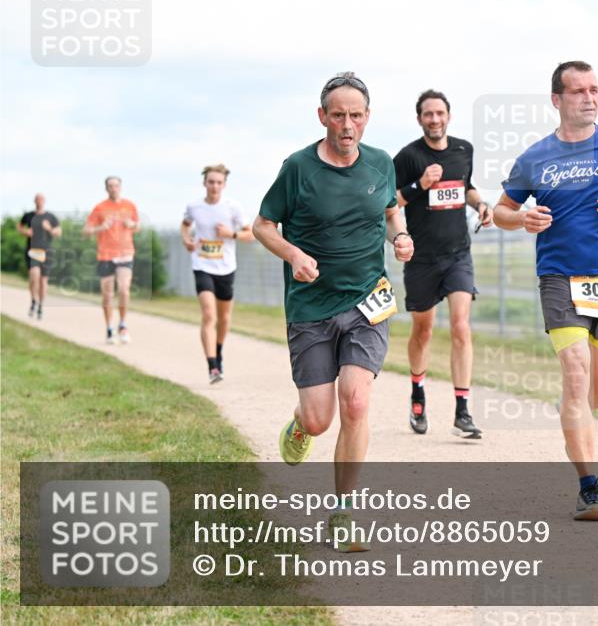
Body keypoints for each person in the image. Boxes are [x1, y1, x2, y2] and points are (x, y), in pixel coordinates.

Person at [493, 61, 598, 521]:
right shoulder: (535, 157)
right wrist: (522, 218)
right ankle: (589, 487)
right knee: (576, 373)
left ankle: (573, 412)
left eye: (594, 90)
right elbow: (500, 211)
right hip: (559, 278)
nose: (589, 98)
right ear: (557, 100)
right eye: (578, 92)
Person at [253, 72, 413, 551]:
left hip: (368, 300)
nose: (348, 124)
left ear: (367, 118)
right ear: (322, 117)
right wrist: (294, 255)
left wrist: (400, 235)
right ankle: (302, 424)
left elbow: (390, 210)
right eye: (338, 115)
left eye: (356, 115)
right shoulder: (298, 168)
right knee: (321, 418)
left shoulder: (382, 164)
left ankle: (343, 512)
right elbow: (262, 226)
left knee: (357, 400)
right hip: (310, 307)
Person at [394, 89, 493, 439]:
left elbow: (465, 186)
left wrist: (480, 204)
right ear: (419, 118)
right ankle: (417, 392)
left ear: (448, 116)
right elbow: (391, 202)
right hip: (421, 258)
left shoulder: (463, 150)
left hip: (457, 254)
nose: (434, 120)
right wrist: (420, 184)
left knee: (461, 328)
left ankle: (462, 411)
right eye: (428, 114)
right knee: (423, 331)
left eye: (440, 113)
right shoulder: (408, 156)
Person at [181, 163, 254, 384]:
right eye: (211, 182)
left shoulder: (233, 207)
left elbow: (250, 234)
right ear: (205, 183)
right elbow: (185, 225)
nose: (214, 186)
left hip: (226, 267)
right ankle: (213, 366)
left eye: (219, 183)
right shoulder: (194, 206)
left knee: (223, 318)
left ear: (224, 185)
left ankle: (218, 350)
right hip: (202, 265)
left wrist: (230, 233)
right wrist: (186, 240)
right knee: (209, 315)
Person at [84, 176, 140, 344]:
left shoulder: (130, 205)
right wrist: (102, 227)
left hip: (125, 253)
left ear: (120, 187)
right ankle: (109, 328)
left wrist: (132, 225)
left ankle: (122, 325)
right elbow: (86, 231)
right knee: (107, 295)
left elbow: (138, 227)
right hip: (105, 255)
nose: (113, 188)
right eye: (110, 186)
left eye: (116, 185)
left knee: (124, 289)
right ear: (106, 188)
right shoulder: (99, 208)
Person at [18, 193, 62, 320]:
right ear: (34, 201)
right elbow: (19, 227)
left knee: (43, 281)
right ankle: (33, 300)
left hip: (47, 251)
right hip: (32, 250)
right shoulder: (28, 216)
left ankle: (41, 305)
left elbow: (58, 232)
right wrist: (25, 232)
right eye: (37, 199)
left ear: (45, 201)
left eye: (42, 199)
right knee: (34, 275)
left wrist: (49, 229)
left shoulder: (50, 217)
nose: (39, 201)